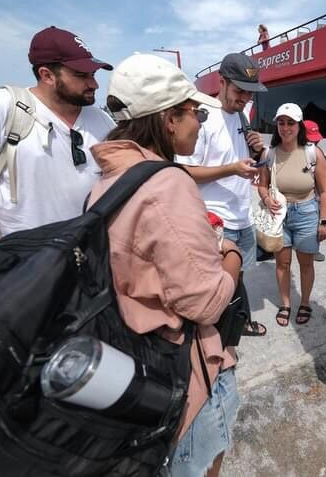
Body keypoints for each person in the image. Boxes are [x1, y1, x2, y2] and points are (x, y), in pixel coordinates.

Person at [92, 53, 241, 477]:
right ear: (168, 120)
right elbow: (207, 304)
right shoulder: (167, 183)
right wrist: (229, 255)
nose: (201, 122)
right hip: (184, 370)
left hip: (137, 357)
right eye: (195, 113)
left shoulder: (107, 178)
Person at [0, 26, 115, 245]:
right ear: (47, 75)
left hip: (94, 247)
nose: (94, 84)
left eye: (93, 74)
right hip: (27, 254)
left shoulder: (101, 119)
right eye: (81, 75)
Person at [176, 52, 269, 337]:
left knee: (237, 279)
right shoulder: (202, 117)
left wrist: (257, 153)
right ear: (222, 82)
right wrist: (231, 169)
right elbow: (184, 172)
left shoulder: (242, 117)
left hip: (242, 217)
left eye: (250, 93)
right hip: (215, 220)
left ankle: (236, 325)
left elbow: (244, 162)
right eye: (240, 90)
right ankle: (213, 341)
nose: (244, 98)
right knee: (215, 286)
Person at [257, 104, 326, 327]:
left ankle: (305, 302)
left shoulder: (312, 153)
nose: (286, 128)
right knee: (282, 263)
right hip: (279, 215)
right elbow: (262, 185)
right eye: (281, 122)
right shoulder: (269, 153)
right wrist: (268, 200)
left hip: (307, 212)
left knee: (306, 264)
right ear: (276, 125)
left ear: (299, 126)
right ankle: (286, 304)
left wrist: (323, 221)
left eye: (291, 123)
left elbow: (325, 191)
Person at [304, 119, 326, 262]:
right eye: (311, 140)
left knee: (316, 224)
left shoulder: (317, 153)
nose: (315, 144)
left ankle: (314, 249)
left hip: (316, 198)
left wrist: (323, 222)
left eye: (316, 140)